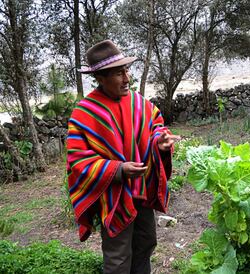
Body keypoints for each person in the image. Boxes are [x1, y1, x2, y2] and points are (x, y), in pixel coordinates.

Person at [66, 40, 180, 274]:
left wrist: (160, 141)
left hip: (143, 193)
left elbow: (155, 126)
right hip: (114, 198)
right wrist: (118, 170)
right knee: (118, 259)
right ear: (100, 77)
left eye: (127, 71)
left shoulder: (140, 104)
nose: (127, 78)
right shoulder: (85, 114)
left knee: (146, 243)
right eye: (119, 73)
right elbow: (78, 161)